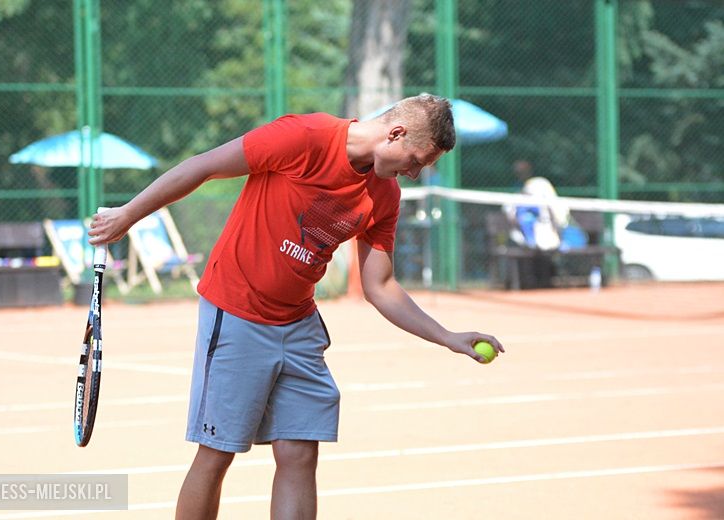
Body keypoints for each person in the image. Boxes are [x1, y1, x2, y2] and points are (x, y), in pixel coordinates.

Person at [88, 94, 505, 520]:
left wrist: (447, 337)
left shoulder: (385, 195)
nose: (415, 173)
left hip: (299, 324)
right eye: (416, 160)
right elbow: (205, 165)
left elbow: (380, 285)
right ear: (395, 134)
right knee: (217, 454)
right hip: (237, 313)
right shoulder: (304, 137)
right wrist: (128, 215)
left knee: (300, 452)